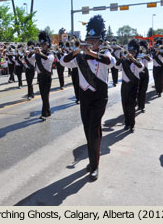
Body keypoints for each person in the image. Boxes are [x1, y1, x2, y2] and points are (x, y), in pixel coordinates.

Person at [61, 15, 116, 181]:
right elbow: (63, 61)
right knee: (87, 130)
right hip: (85, 97)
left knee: (94, 130)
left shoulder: (106, 53)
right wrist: (77, 50)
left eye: (93, 40)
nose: (90, 42)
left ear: (100, 42)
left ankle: (94, 165)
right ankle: (93, 160)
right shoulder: (80, 57)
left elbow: (111, 62)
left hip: (99, 97)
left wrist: (90, 52)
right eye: (88, 39)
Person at [115, 39, 143, 132]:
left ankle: (132, 124)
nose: (130, 53)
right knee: (124, 104)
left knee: (131, 105)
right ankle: (127, 123)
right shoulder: (124, 61)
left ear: (136, 52)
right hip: (125, 85)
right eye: (129, 51)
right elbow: (116, 66)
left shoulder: (137, 61)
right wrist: (121, 58)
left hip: (134, 85)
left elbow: (141, 67)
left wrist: (133, 59)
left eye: (132, 52)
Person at [33, 31, 54, 121]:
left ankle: (44, 114)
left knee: (45, 95)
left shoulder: (51, 54)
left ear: (47, 45)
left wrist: (40, 53)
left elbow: (47, 59)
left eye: (44, 44)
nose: (42, 46)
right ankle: (48, 111)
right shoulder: (37, 54)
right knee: (43, 96)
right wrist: (30, 52)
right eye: (41, 44)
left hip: (47, 76)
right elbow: (29, 57)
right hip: (40, 77)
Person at [137, 40, 151, 113]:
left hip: (145, 73)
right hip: (138, 73)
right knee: (138, 91)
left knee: (143, 90)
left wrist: (145, 56)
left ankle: (141, 106)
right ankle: (138, 104)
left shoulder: (145, 55)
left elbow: (150, 60)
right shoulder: (136, 55)